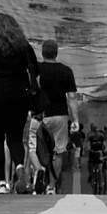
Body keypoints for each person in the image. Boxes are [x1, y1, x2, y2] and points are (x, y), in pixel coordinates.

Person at [0, 11, 38, 192]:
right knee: (16, 139)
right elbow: (36, 73)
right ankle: (19, 168)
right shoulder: (25, 48)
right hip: (19, 98)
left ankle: (2, 183)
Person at [31, 38, 78, 193]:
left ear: (42, 53)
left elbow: (31, 92)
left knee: (33, 148)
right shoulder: (66, 71)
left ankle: (38, 173)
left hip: (39, 115)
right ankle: (51, 186)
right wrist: (75, 119)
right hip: (60, 115)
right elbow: (71, 97)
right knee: (58, 151)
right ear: (56, 53)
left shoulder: (36, 70)